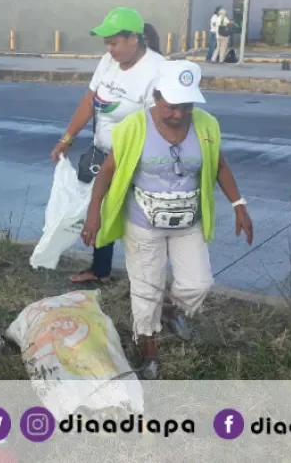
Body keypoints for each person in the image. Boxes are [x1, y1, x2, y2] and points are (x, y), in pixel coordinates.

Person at [80, 60, 254, 379]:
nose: (179, 114)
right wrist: (94, 213)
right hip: (142, 223)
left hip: (189, 222)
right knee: (146, 288)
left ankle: (171, 310)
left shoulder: (205, 124)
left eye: (186, 106)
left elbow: (219, 166)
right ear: (157, 96)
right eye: (172, 106)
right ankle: (148, 348)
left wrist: (238, 204)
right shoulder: (134, 127)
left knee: (198, 284)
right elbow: (108, 172)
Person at [50, 7, 164, 285]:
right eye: (106, 42)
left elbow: (156, 125)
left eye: (114, 42)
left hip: (135, 159)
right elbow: (90, 100)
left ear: (134, 39)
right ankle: (100, 270)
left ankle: (147, 280)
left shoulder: (158, 69)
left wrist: (121, 158)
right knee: (99, 211)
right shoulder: (107, 62)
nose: (108, 48)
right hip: (103, 152)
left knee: (135, 222)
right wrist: (67, 138)